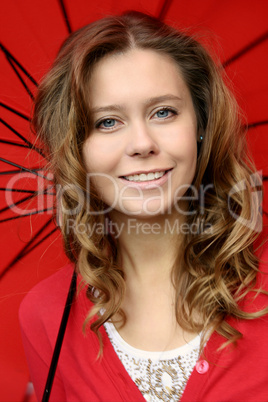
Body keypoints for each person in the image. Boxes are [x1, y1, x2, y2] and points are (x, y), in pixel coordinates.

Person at [19, 11, 268, 402]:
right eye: (107, 122)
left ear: (201, 124)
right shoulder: (45, 316)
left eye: (163, 112)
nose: (141, 143)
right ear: (75, 148)